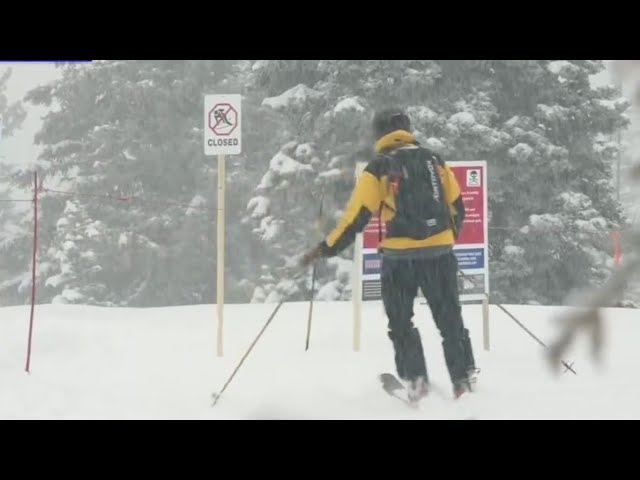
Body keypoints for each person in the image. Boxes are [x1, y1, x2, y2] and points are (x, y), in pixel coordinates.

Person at [300, 108, 477, 401]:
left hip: (400, 260)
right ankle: (462, 381)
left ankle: (417, 384)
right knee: (450, 320)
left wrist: (325, 248)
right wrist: (444, 240)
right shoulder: (435, 161)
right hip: (440, 256)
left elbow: (356, 217)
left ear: (378, 134)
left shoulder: (379, 168)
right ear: (407, 129)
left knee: (401, 322)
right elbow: (459, 207)